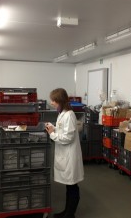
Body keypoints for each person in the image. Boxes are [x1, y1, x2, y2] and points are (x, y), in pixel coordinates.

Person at [45, 88, 84, 218]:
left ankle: (70, 214)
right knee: (69, 186)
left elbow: (68, 137)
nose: (52, 103)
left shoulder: (69, 115)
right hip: (65, 154)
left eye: (53, 100)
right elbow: (63, 130)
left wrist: (52, 134)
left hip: (70, 156)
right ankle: (67, 212)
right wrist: (53, 128)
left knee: (72, 186)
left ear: (60, 101)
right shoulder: (63, 113)